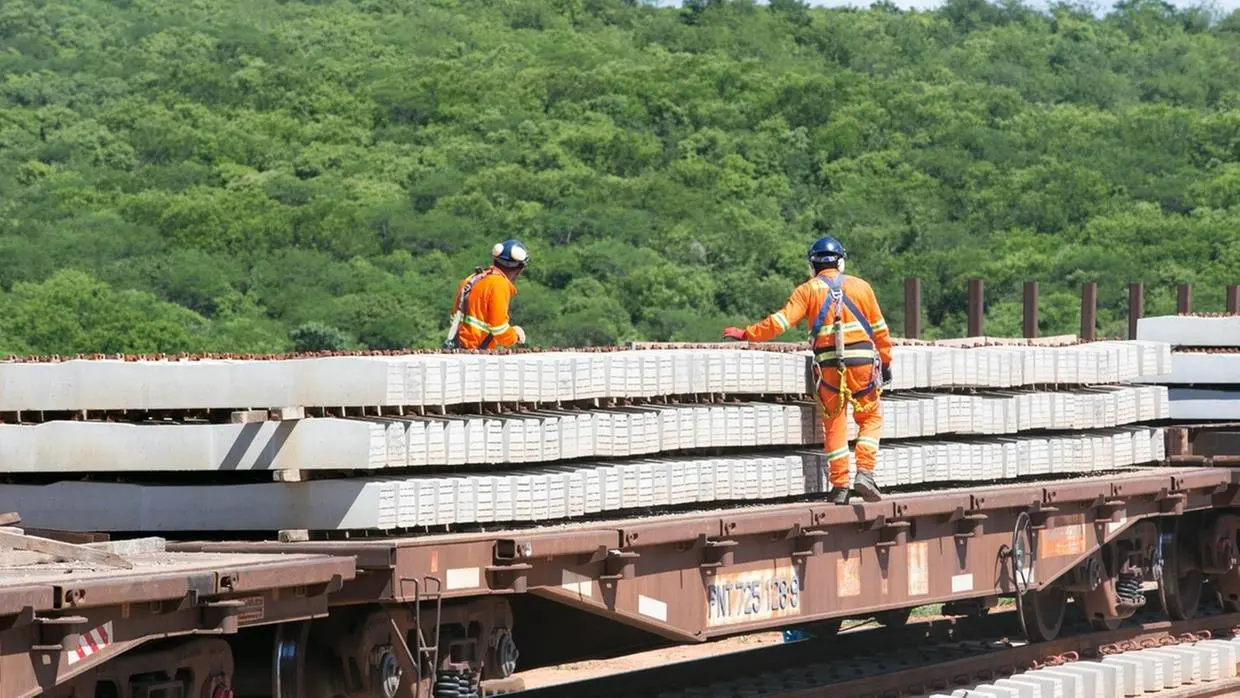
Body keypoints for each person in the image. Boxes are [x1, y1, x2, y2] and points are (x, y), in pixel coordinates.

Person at [722, 236, 892, 505]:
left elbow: (780, 322)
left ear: (812, 265)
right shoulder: (862, 288)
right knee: (870, 418)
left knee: (835, 422)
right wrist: (885, 362)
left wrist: (747, 334)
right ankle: (865, 473)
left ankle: (839, 488)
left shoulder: (807, 291)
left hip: (829, 367)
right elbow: (881, 332)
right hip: (862, 365)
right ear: (842, 262)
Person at [444, 239, 529, 351]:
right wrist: (515, 335)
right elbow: (499, 330)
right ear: (519, 269)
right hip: (475, 355)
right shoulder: (499, 284)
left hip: (454, 348)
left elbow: (454, 319)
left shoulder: (472, 279)